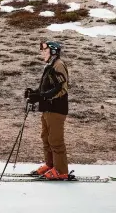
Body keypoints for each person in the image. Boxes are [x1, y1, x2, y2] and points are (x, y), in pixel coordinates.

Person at [25, 41, 70, 180]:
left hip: (56, 109)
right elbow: (46, 89)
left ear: (53, 52)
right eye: (42, 50)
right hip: (47, 109)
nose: (42, 53)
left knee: (55, 140)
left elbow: (62, 88)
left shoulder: (59, 65)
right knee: (46, 138)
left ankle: (61, 171)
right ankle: (50, 165)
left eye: (45, 50)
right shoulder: (49, 66)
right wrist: (35, 95)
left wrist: (42, 96)